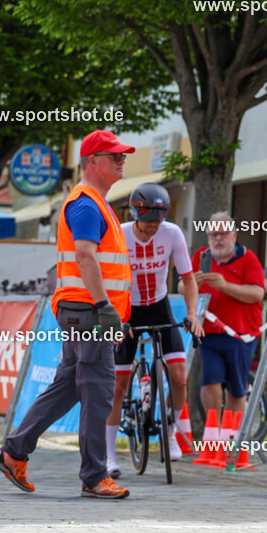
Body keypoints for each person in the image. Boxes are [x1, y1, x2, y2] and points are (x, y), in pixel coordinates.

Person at [0, 129, 134, 499]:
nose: (122, 161)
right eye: (114, 156)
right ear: (93, 161)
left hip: (82, 310)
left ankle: (14, 451)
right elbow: (85, 256)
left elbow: (101, 263)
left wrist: (113, 310)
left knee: (70, 385)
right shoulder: (86, 204)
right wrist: (105, 308)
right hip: (89, 311)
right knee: (98, 389)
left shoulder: (94, 202)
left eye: (123, 155)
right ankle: (94, 476)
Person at [104, 184, 205, 478]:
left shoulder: (172, 233)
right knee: (118, 387)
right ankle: (109, 455)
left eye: (158, 221)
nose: (153, 227)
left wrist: (192, 314)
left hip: (159, 306)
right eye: (147, 221)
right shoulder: (119, 235)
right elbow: (107, 280)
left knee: (179, 379)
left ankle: (169, 432)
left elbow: (188, 278)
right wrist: (115, 318)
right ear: (134, 214)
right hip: (127, 310)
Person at [184, 213, 265, 417]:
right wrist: (192, 284)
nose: (218, 239)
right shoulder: (201, 256)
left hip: (240, 333)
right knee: (210, 380)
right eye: (213, 235)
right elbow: (181, 287)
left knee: (236, 388)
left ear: (234, 236)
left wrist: (225, 286)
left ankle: (232, 433)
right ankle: (213, 428)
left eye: (223, 234)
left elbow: (257, 293)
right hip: (208, 331)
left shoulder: (247, 257)